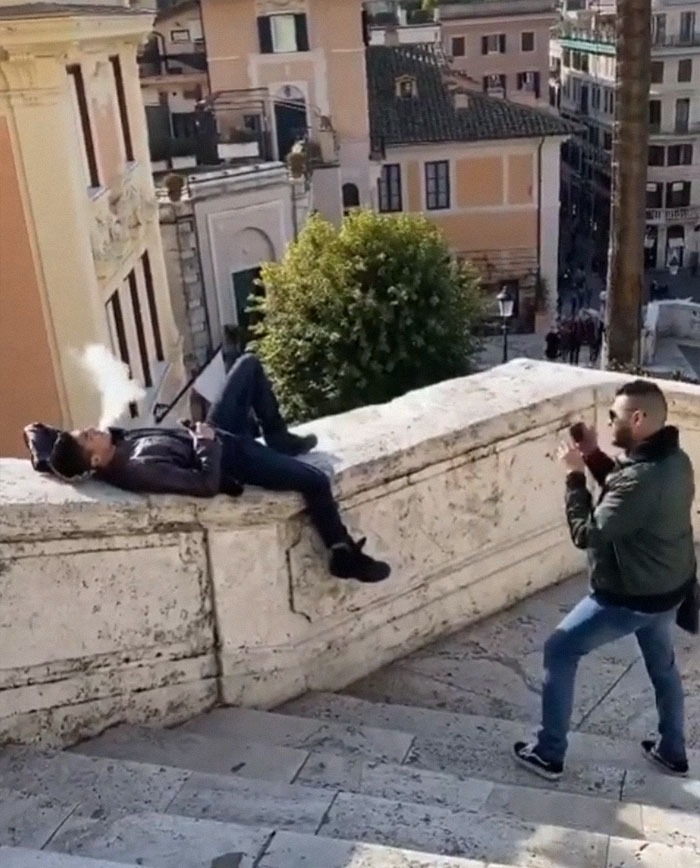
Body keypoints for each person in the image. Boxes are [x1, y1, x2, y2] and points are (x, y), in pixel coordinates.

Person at [46, 353, 391, 584]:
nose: (93, 430)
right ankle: (342, 553)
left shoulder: (119, 446)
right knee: (315, 481)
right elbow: (206, 484)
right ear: (94, 460)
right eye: (88, 437)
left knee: (248, 364)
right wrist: (205, 442)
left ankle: (279, 436)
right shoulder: (138, 469)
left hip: (218, 435)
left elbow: (43, 444)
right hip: (233, 459)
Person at [513, 379, 695, 780]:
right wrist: (594, 455)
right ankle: (672, 749)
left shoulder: (642, 477)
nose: (609, 420)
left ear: (637, 418)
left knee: (560, 650)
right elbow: (628, 498)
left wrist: (575, 477)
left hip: (629, 597)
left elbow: (588, 533)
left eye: (613, 415)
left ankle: (549, 752)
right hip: (669, 590)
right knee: (662, 667)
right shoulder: (675, 461)